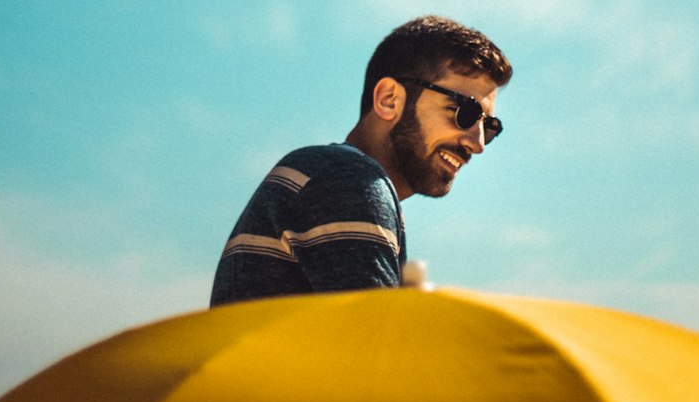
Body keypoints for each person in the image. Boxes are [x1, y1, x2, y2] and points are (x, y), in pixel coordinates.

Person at [210, 15, 512, 306]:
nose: (478, 143)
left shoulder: (331, 174)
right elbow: (375, 349)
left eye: (489, 127)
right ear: (389, 100)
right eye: (466, 113)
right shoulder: (348, 179)